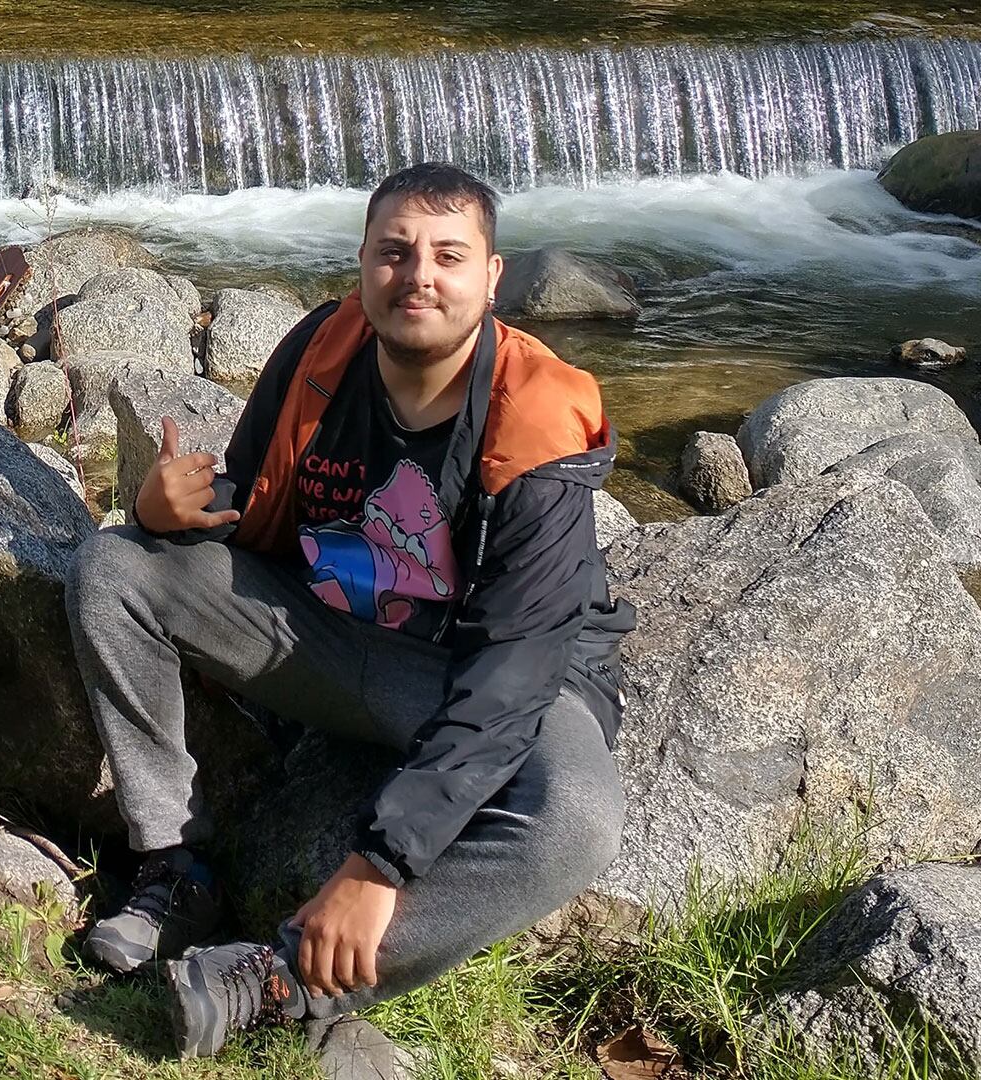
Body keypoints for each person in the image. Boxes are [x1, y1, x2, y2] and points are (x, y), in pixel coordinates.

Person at [62, 162, 636, 1059]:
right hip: (327, 640)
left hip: (470, 677)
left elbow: (513, 675)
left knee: (578, 818)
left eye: (449, 256)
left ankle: (275, 979)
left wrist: (382, 863)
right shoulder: (320, 349)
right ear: (363, 263)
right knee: (113, 567)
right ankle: (174, 867)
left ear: (492, 277)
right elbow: (256, 500)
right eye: (395, 252)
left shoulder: (539, 417)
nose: (419, 277)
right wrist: (161, 511)